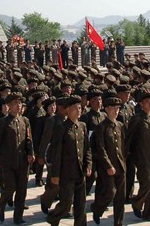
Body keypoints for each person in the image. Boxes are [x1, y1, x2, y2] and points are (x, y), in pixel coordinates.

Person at [0, 93, 34, 224]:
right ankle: (0, 203)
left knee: (22, 191)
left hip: (23, 161)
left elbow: (29, 139)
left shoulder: (25, 121)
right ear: (9, 106)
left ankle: (18, 218)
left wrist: (31, 153)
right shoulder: (3, 122)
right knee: (10, 187)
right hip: (8, 162)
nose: (19, 105)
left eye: (20, 103)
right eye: (15, 103)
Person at [46, 96, 92, 226]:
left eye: (79, 108)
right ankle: (53, 217)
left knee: (81, 205)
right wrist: (55, 175)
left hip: (80, 172)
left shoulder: (82, 126)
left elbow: (87, 149)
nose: (78, 111)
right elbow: (56, 153)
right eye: (74, 108)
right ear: (67, 110)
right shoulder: (62, 128)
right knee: (66, 204)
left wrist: (88, 164)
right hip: (66, 173)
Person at [126, 90, 150, 220]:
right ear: (142, 104)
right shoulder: (137, 119)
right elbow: (129, 138)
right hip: (141, 158)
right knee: (147, 184)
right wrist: (128, 155)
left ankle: (148, 214)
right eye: (148, 102)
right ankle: (136, 202)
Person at [91, 96, 127, 226]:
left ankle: (118, 222)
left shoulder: (120, 126)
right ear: (106, 109)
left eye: (118, 108)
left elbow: (124, 146)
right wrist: (108, 165)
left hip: (120, 165)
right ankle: (97, 208)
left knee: (120, 197)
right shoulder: (101, 127)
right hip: (107, 167)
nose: (116, 111)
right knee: (111, 192)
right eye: (113, 108)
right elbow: (100, 149)